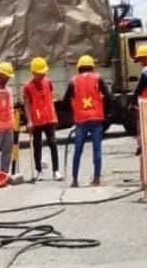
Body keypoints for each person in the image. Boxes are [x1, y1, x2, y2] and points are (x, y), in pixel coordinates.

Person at [62, 54, 109, 187]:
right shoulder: (98, 78)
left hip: (81, 120)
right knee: (97, 150)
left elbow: (66, 100)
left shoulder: (73, 81)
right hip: (96, 119)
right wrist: (106, 113)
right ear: (92, 67)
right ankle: (97, 179)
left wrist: (73, 111)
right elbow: (108, 96)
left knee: (77, 150)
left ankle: (75, 180)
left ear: (79, 68)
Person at [22, 57, 62, 181]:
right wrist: (29, 121)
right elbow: (27, 104)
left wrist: (54, 116)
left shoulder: (48, 82)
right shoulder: (27, 87)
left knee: (53, 143)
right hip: (36, 120)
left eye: (44, 72)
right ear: (34, 72)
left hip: (49, 118)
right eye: (40, 73)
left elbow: (50, 99)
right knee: (37, 145)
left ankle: (56, 171)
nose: (43, 74)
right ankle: (38, 170)